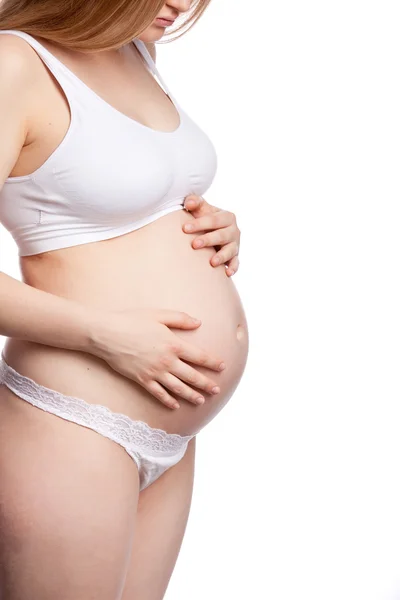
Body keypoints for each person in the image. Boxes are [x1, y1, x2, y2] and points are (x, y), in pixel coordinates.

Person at [0, 0, 249, 598]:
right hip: (72, 422)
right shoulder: (14, 64)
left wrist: (215, 225)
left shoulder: (139, 50)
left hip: (173, 429)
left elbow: (129, 195)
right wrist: (103, 334)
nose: (182, 4)